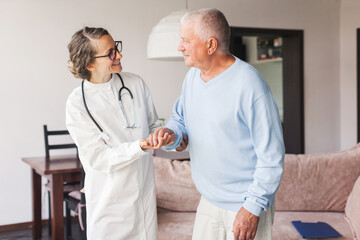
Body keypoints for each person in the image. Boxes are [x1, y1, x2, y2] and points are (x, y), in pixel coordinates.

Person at [148, 9, 285, 240]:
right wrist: (171, 133)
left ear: (210, 45)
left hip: (245, 203)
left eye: (186, 41)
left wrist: (252, 208)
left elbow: (272, 156)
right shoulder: (192, 77)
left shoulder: (250, 85)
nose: (180, 47)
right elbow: (180, 119)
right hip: (209, 201)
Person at [66, 27, 171, 240]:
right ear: (89, 63)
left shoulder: (135, 83)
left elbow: (152, 125)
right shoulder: (77, 104)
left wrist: (163, 134)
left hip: (144, 201)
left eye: (117, 48)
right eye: (111, 53)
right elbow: (99, 158)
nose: (119, 55)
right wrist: (140, 146)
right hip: (109, 205)